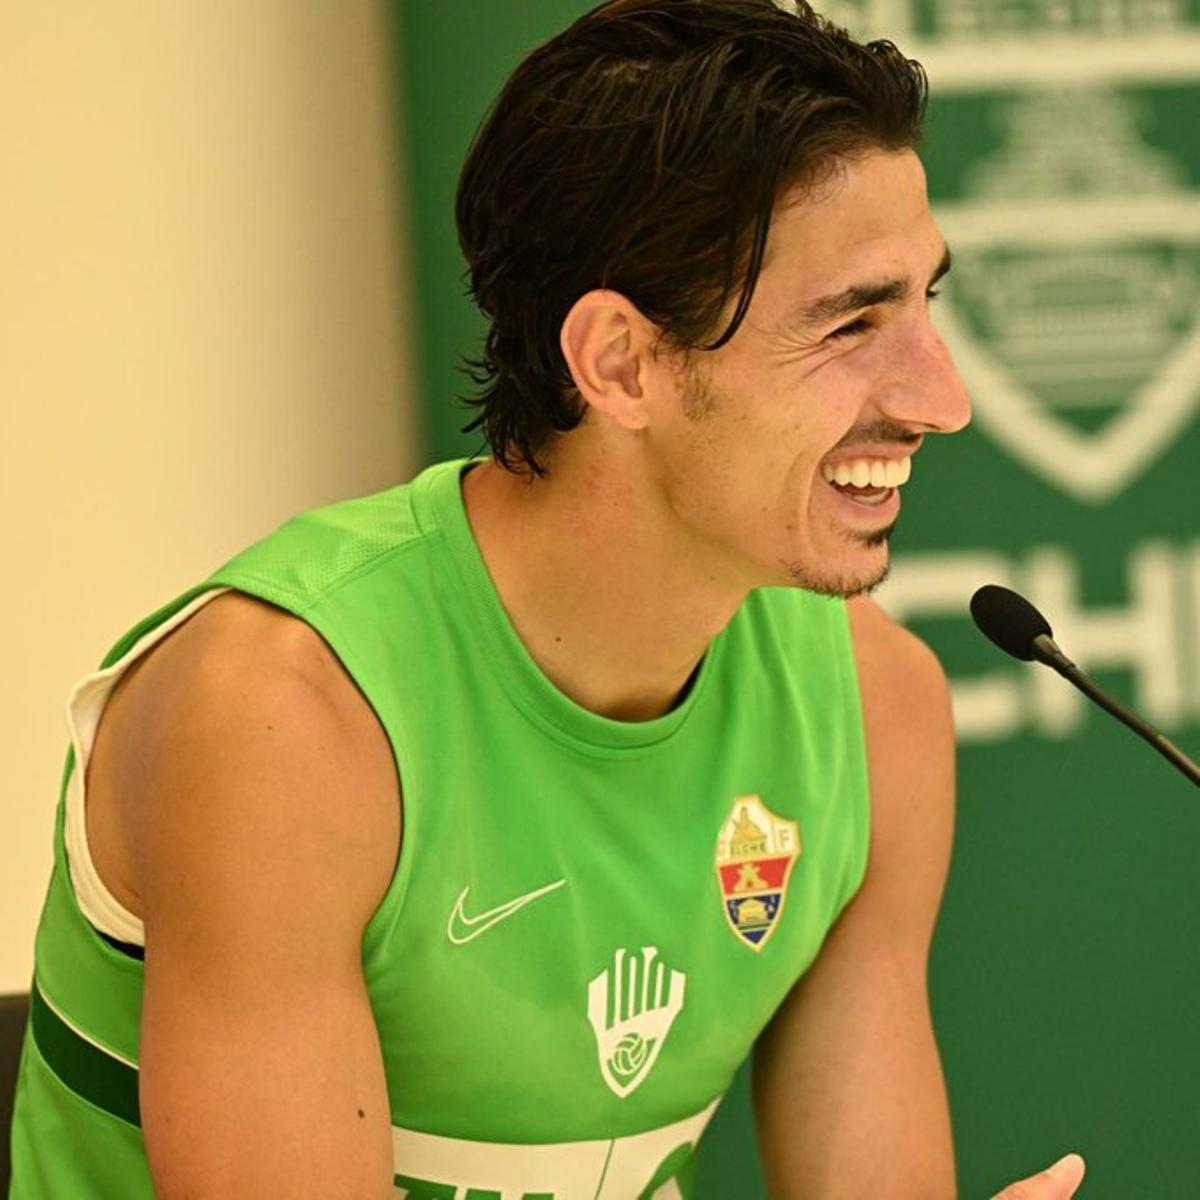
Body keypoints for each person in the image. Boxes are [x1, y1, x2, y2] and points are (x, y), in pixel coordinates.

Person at [9, 1, 1087, 1197]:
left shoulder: (875, 709)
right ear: (619, 361)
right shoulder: (286, 720)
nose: (944, 399)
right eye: (852, 321)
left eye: (926, 303)